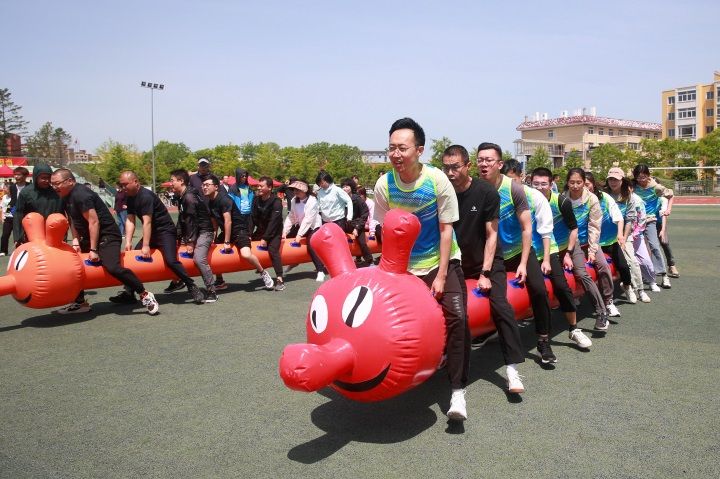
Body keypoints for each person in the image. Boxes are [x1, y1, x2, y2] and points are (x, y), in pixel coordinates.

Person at [374, 118, 470, 421]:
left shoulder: (437, 180)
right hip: (402, 265)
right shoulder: (384, 185)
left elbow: (446, 230)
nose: (396, 154)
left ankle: (458, 391)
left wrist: (440, 276)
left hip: (440, 261)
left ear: (419, 150)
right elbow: (386, 231)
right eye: (391, 148)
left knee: (458, 317)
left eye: (402, 148)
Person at [442, 145, 527, 394]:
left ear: (467, 166)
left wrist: (485, 273)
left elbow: (492, 235)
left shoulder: (486, 192)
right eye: (446, 168)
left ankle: (512, 368)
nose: (450, 173)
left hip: (487, 262)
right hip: (456, 262)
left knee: (500, 305)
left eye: (455, 167)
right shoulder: (444, 192)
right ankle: (446, 355)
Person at [476, 144, 557, 364]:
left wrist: (523, 263)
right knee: (482, 293)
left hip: (518, 252)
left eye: (489, 160)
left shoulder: (514, 189)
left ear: (499, 164)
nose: (484, 164)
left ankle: (543, 340)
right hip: (492, 254)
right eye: (480, 160)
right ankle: (484, 331)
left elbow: (527, 228)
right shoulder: (475, 189)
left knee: (539, 290)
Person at [50, 169, 159, 315]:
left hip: (107, 235)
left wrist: (93, 250)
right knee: (74, 267)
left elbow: (94, 222)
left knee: (113, 267)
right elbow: (72, 219)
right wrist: (75, 240)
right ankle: (80, 303)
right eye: (52, 184)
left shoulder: (81, 194)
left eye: (57, 183)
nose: (54, 187)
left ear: (70, 181)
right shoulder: (64, 196)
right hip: (88, 237)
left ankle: (144, 294)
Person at [117, 170, 205, 304]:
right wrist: (128, 241)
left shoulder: (145, 196)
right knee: (133, 258)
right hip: (152, 232)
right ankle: (129, 292)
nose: (123, 187)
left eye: (125, 184)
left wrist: (146, 246)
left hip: (165, 232)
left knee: (170, 260)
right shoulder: (129, 197)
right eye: (121, 184)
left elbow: (147, 222)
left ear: (135, 182)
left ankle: (191, 285)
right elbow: (130, 220)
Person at [201, 175, 275, 291]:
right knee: (213, 253)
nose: (204, 187)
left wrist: (226, 242)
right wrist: (214, 238)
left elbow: (228, 221)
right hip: (227, 231)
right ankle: (220, 281)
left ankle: (263, 272)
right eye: (203, 185)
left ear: (216, 187)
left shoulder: (224, 199)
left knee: (246, 254)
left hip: (239, 230)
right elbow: (214, 223)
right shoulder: (210, 202)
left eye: (207, 185)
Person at [563, 168, 613, 332]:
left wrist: (592, 250)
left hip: (590, 240)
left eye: (579, 182)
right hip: (573, 241)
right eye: (572, 182)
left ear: (584, 182)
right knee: (581, 272)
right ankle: (600, 310)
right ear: (567, 183)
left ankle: (607, 302)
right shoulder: (562, 198)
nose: (575, 186)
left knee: (603, 265)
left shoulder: (592, 199)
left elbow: (594, 226)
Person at [165, 169, 217, 302]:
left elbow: (191, 221)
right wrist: (177, 236)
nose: (171, 183)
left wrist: (190, 241)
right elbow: (182, 219)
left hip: (204, 232)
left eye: (172, 180)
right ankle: (178, 281)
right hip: (194, 231)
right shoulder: (183, 196)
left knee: (199, 259)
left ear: (181, 181)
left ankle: (211, 290)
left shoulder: (189, 197)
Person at [604, 167, 651, 303]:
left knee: (632, 261)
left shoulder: (628, 196)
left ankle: (640, 290)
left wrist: (624, 238)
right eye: (611, 179)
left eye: (616, 179)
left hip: (624, 234)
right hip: (606, 235)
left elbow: (629, 220)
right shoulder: (604, 195)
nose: (613, 182)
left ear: (622, 180)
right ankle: (628, 286)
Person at [584, 171, 628, 313]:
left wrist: (620, 235)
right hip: (585, 242)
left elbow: (619, 218)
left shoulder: (604, 198)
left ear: (593, 184)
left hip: (605, 241)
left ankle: (621, 291)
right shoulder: (573, 199)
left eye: (587, 184)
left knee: (616, 266)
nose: (584, 188)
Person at [632, 165, 676, 287]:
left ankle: (664, 275)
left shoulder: (656, 187)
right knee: (636, 248)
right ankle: (640, 274)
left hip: (649, 220)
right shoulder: (633, 186)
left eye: (643, 177)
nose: (641, 180)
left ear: (648, 175)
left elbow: (671, 195)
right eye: (638, 177)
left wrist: (668, 209)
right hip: (635, 221)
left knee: (654, 246)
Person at [281, 179, 325, 281]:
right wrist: (285, 231)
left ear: (305, 190)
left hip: (314, 226)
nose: (295, 191)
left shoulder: (312, 201)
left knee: (311, 245)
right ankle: (294, 262)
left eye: (298, 189)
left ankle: (320, 270)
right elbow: (291, 217)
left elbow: (308, 219)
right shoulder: (294, 200)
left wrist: (299, 235)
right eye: (294, 189)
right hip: (301, 225)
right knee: (287, 240)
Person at [218, 167, 254, 289]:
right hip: (238, 215)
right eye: (242, 176)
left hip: (248, 214)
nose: (244, 178)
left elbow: (251, 198)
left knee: (249, 231)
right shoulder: (233, 188)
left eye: (245, 176)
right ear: (238, 176)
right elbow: (230, 203)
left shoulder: (248, 188)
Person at [13, 163, 62, 246]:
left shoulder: (56, 193)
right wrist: (18, 237)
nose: (47, 181)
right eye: (43, 178)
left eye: (49, 178)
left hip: (53, 235)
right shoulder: (26, 193)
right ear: (36, 177)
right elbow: (18, 214)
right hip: (32, 235)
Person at [252, 176, 285, 291]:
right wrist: (249, 234)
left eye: (261, 186)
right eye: (258, 186)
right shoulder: (256, 200)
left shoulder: (276, 201)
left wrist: (265, 238)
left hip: (275, 231)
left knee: (272, 250)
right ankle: (261, 265)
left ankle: (280, 279)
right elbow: (252, 218)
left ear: (270, 188)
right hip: (262, 229)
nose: (258, 188)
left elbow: (274, 221)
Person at [340, 178, 374, 267]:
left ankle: (370, 261)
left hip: (357, 224)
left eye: (347, 186)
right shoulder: (340, 199)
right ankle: (342, 263)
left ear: (351, 187)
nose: (345, 188)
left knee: (362, 243)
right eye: (343, 187)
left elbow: (364, 213)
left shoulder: (357, 199)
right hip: (345, 224)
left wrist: (357, 228)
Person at [1, 183, 13, 256]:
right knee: (4, 235)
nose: (3, 189)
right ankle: (3, 251)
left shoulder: (16, 197)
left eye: (5, 188)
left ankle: (19, 250)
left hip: (16, 218)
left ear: (9, 189)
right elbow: (2, 207)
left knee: (18, 236)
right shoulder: (4, 197)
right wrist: (2, 217)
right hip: (7, 218)